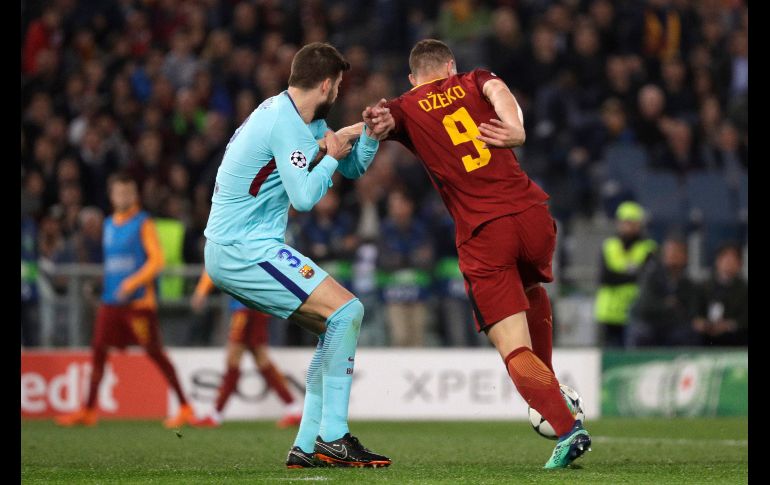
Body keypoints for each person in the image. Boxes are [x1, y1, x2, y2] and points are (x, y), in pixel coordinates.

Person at [364, 39, 591, 469]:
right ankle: (550, 391)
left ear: (412, 78)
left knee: (512, 348)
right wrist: (515, 128)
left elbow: (369, 127)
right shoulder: (474, 79)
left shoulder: (406, 105)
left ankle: (567, 428)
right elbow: (501, 93)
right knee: (530, 289)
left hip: (485, 231)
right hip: (532, 214)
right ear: (450, 66)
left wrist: (342, 136)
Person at [203, 42, 394, 468]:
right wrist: (331, 154)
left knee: (333, 326)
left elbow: (351, 167)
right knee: (348, 311)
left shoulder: (297, 117)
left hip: (241, 246)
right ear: (326, 84)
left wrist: (367, 135)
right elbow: (305, 197)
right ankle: (334, 437)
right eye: (339, 85)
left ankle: (307, 446)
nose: (339, 92)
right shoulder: (283, 123)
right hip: (243, 248)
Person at [55, 173, 195, 428]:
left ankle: (185, 407)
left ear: (135, 195)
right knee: (98, 351)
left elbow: (157, 261)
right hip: (111, 302)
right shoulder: (109, 224)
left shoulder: (143, 223)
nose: (123, 197)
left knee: (155, 354)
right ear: (111, 196)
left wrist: (132, 283)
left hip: (138, 304)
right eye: (119, 193)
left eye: (128, 193)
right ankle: (88, 410)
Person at [190, 270, 303, 428]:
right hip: (255, 304)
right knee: (261, 359)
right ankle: (293, 408)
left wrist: (201, 291)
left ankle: (215, 414)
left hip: (246, 307)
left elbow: (214, 266)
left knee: (235, 358)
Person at [594, 201, 657, 347]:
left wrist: (619, 275)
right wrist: (632, 275)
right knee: (610, 352)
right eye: (625, 222)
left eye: (632, 223)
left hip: (636, 311)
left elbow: (646, 278)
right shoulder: (609, 246)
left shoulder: (649, 248)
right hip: (609, 312)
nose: (628, 227)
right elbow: (605, 277)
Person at [627, 236, 700, 347]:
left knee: (688, 333)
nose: (673, 255)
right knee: (642, 332)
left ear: (685, 256)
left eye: (677, 252)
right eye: (670, 252)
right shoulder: (651, 276)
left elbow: (689, 311)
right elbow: (645, 306)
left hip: (671, 325)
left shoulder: (687, 283)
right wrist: (668, 305)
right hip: (649, 322)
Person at [692, 242, 748, 346]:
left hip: (734, 334)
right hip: (706, 333)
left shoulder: (744, 289)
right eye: (725, 259)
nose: (729, 263)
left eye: (733, 260)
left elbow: (744, 318)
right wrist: (702, 323)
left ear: (740, 264)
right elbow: (696, 312)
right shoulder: (704, 286)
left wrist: (729, 325)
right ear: (717, 261)